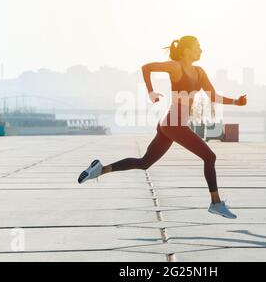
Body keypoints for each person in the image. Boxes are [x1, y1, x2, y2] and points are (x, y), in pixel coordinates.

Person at [78, 35, 247, 219]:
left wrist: (236, 102)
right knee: (209, 156)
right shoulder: (175, 67)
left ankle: (99, 170)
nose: (201, 50)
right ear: (186, 50)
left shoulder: (199, 72)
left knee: (144, 163)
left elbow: (213, 96)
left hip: (171, 124)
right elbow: (147, 68)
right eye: (197, 47)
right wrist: (150, 92)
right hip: (173, 124)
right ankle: (215, 203)